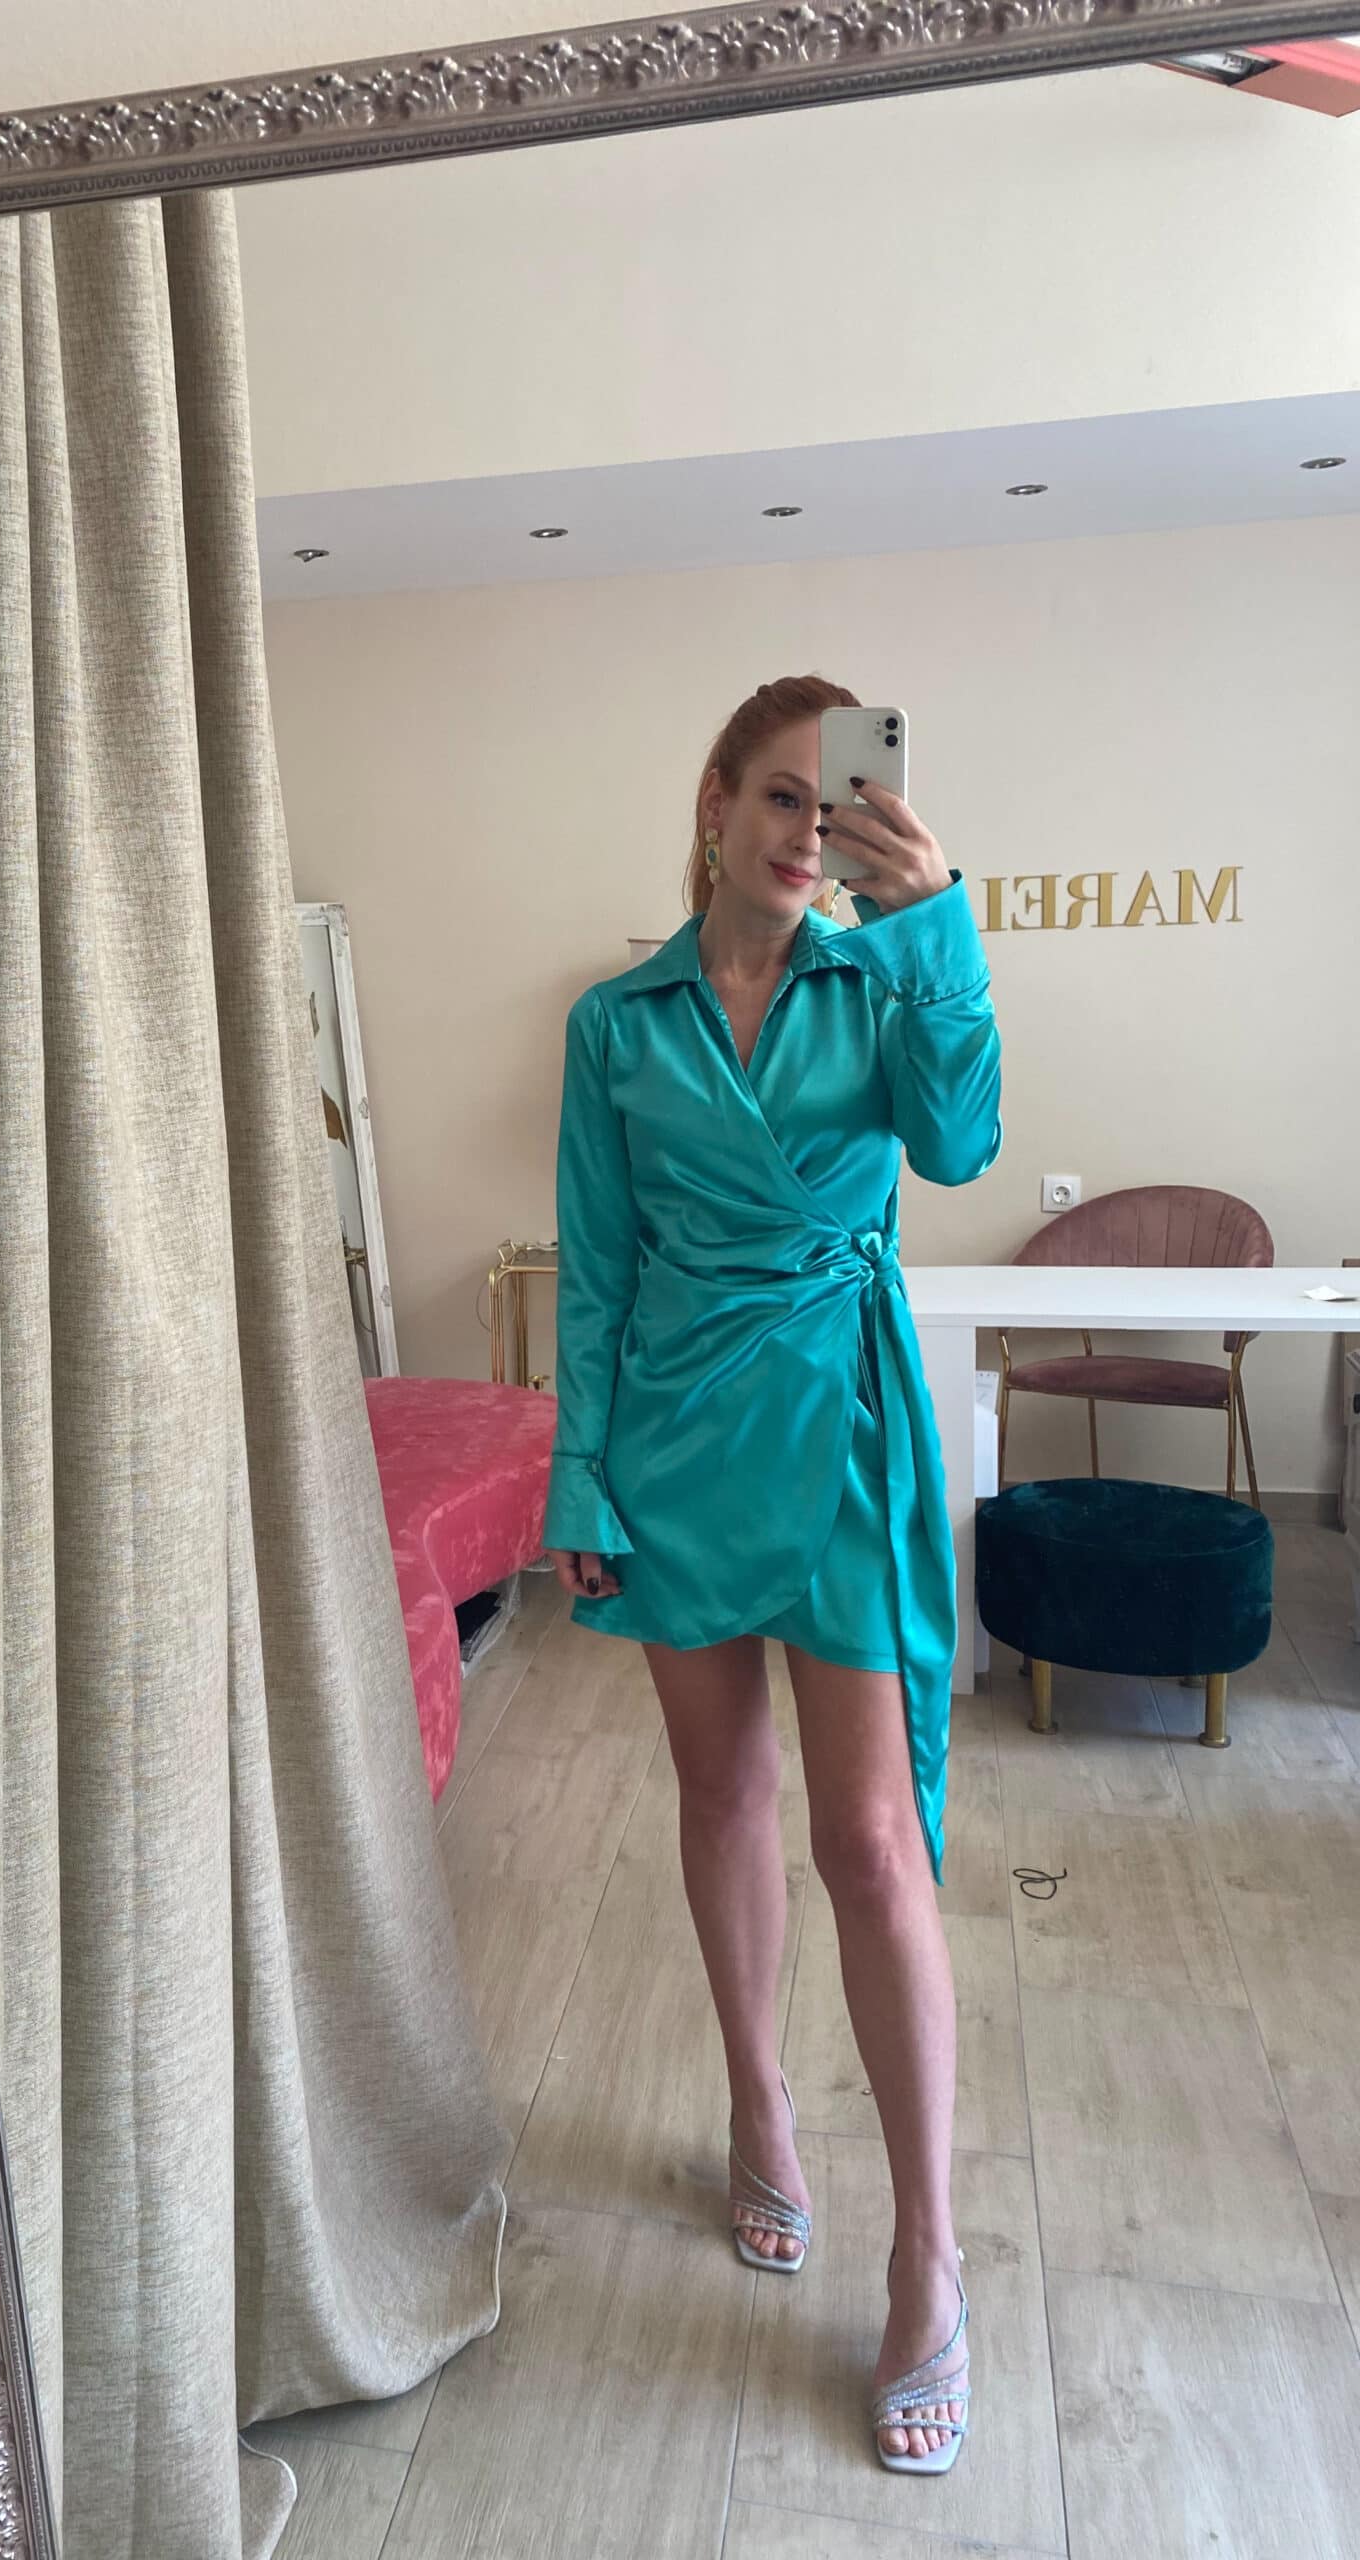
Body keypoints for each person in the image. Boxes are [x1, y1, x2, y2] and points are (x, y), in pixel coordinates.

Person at [542, 675, 1002, 2476]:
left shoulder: (883, 979)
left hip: (842, 1430)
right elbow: (598, 1262)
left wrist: (935, 925)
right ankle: (758, 2110)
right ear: (719, 801)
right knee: (721, 1790)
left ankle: (929, 2256)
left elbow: (956, 1144)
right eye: (786, 797)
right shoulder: (616, 1023)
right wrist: (581, 1469)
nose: (815, 831)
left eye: (842, 801)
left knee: (871, 1844)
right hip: (672, 1441)